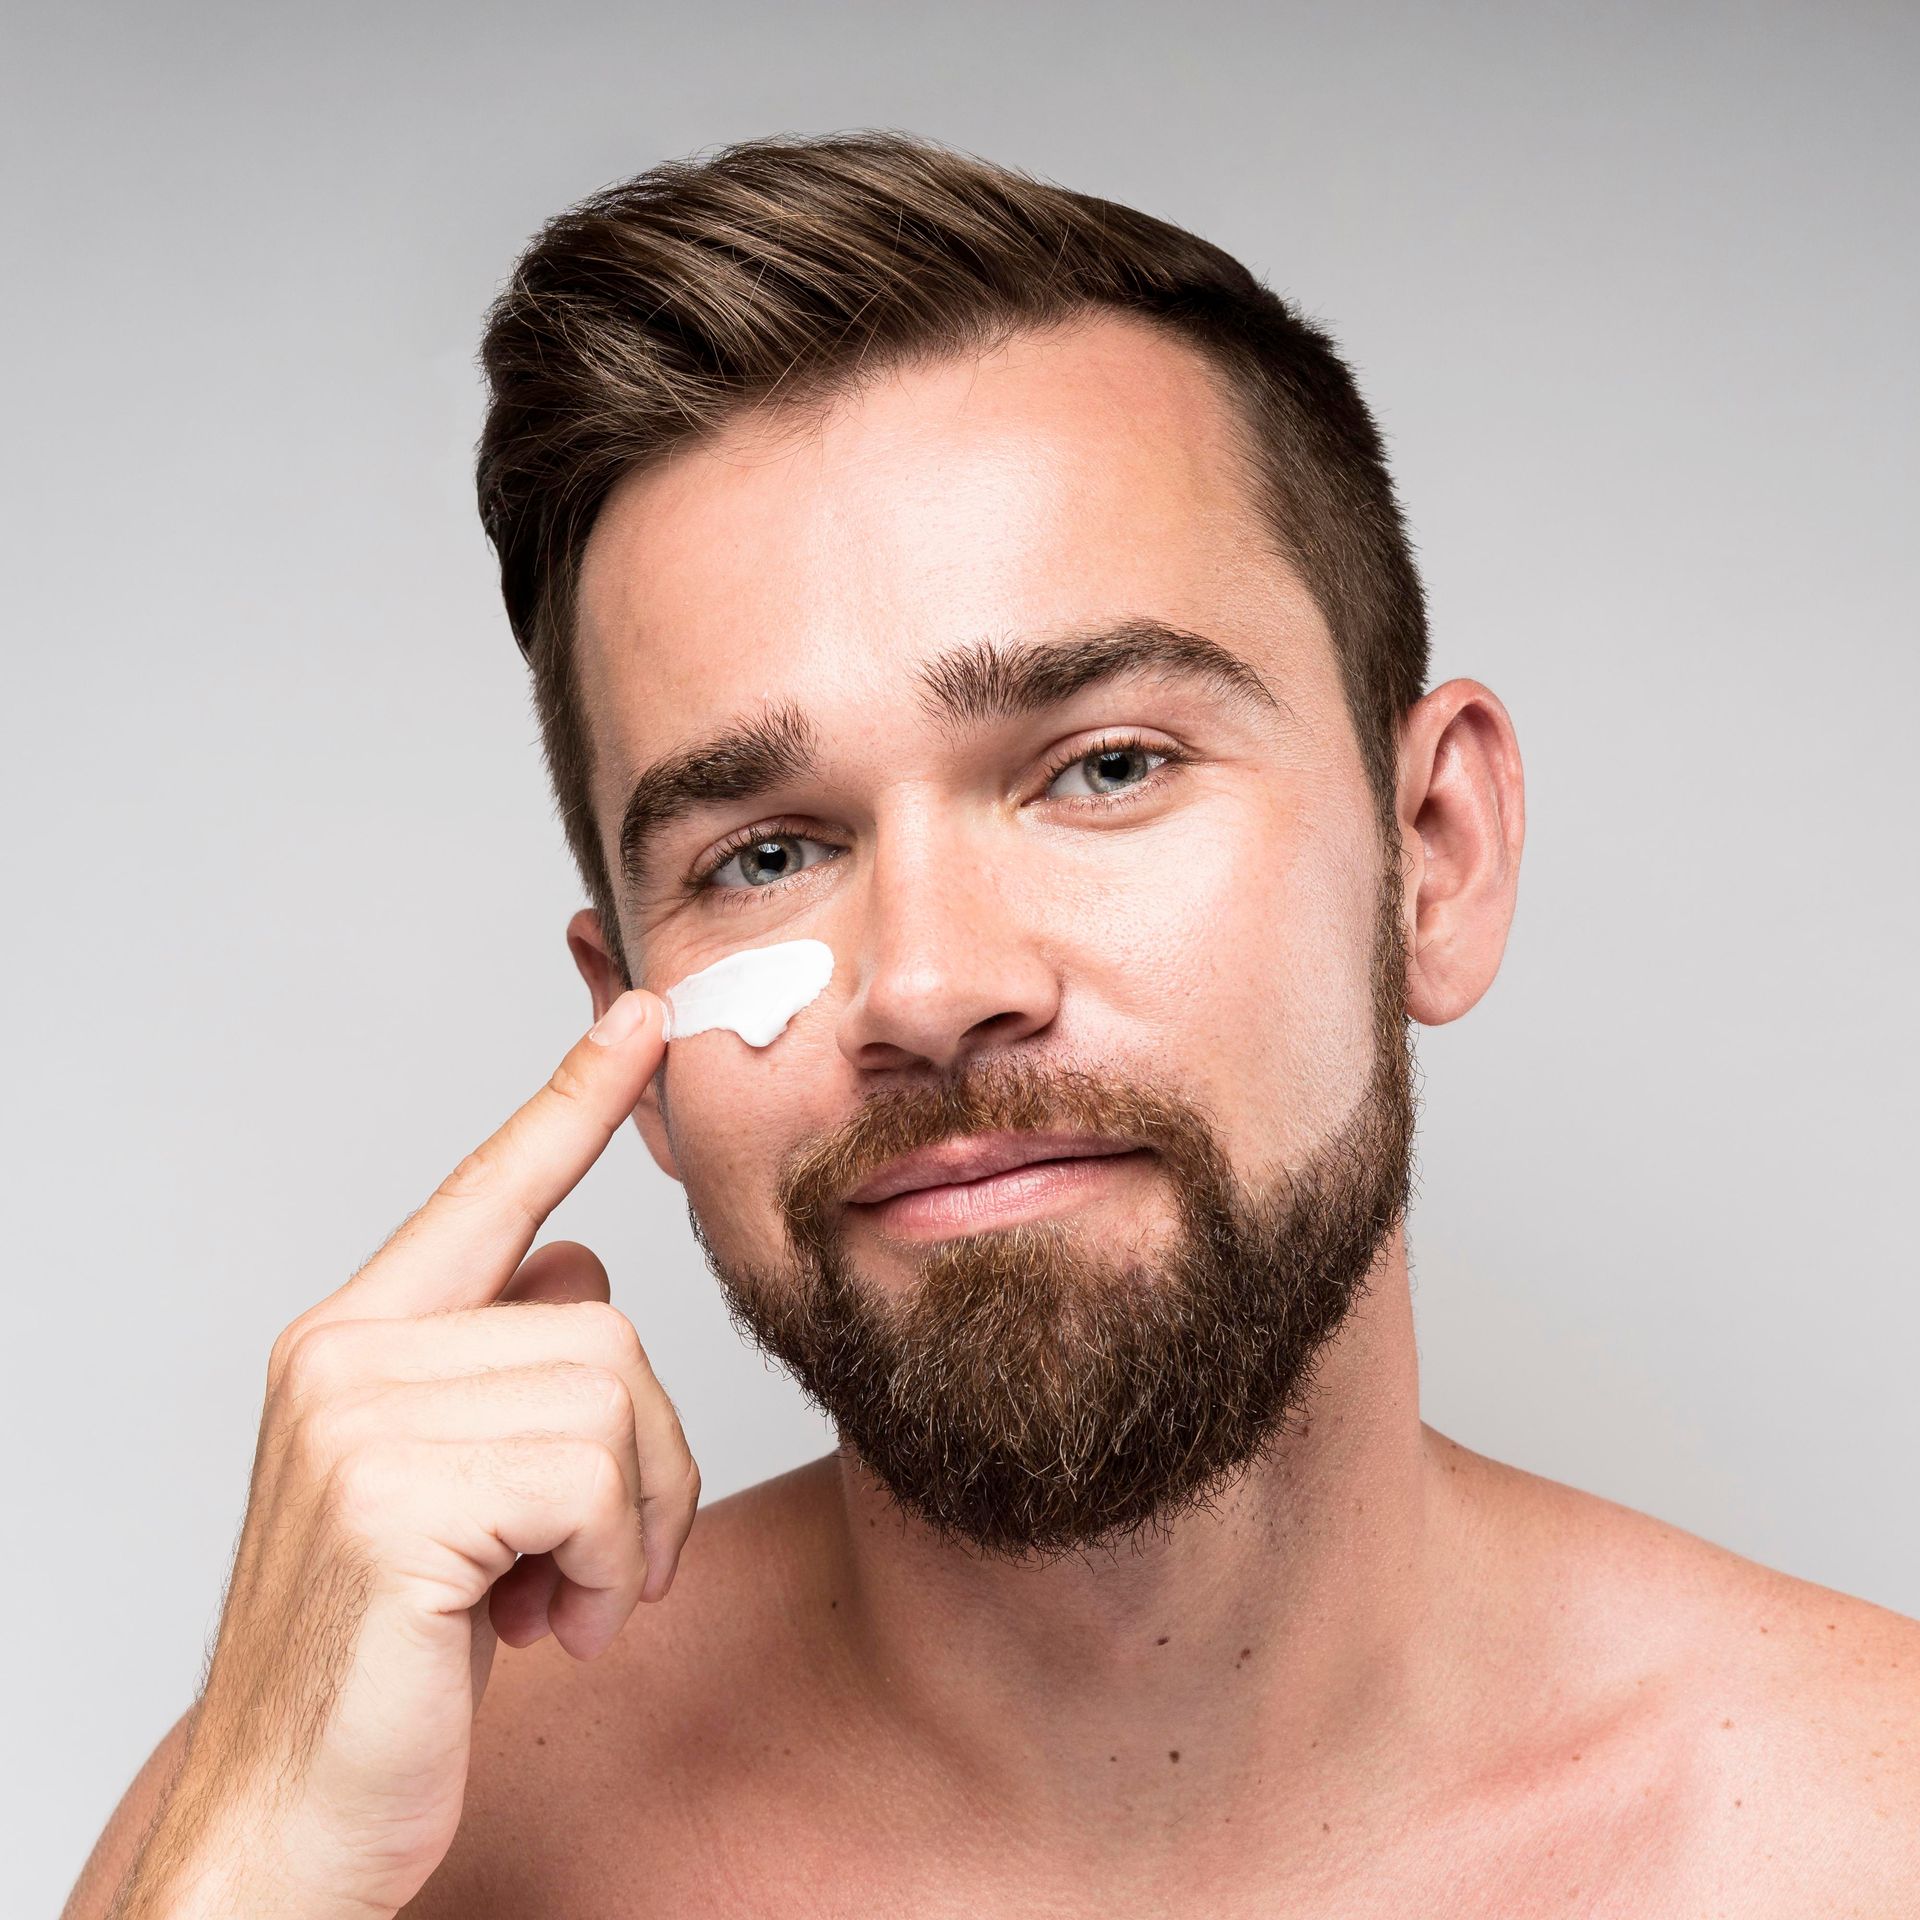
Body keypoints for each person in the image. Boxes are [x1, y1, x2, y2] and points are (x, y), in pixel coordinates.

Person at [68, 130, 1920, 1919]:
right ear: (633, 1033)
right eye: (765, 853)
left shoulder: (1865, 1834)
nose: (934, 985)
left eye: (1105, 767)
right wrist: (242, 1878)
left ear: (1432, 854)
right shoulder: (350, 1842)